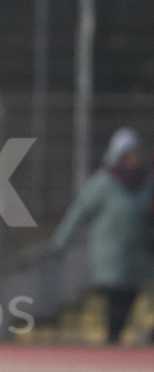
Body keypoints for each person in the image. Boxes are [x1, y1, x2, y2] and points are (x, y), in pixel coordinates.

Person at [50, 127, 154, 345]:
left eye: (135, 154)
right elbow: (79, 212)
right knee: (115, 302)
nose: (133, 159)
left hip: (139, 256)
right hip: (111, 256)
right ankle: (111, 346)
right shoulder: (103, 184)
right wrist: (60, 241)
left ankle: (117, 343)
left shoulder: (146, 184)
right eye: (127, 155)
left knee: (130, 299)